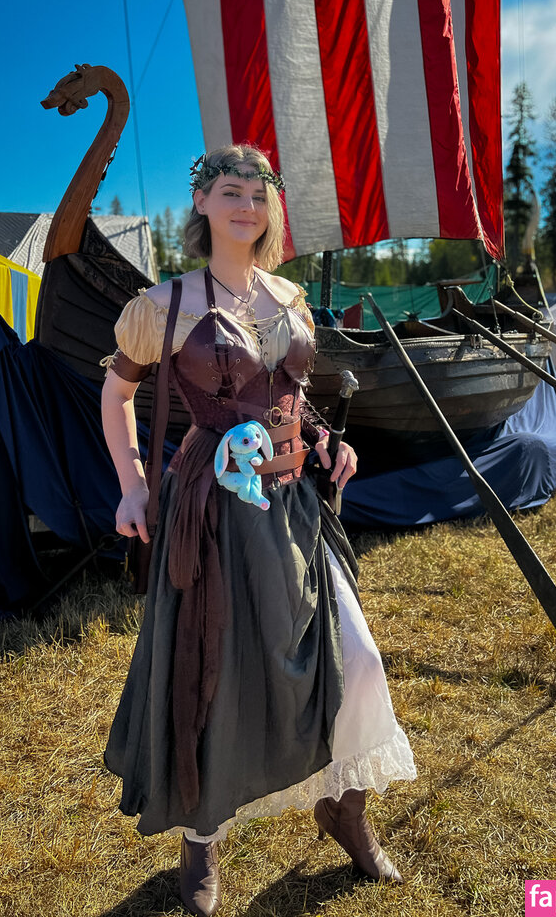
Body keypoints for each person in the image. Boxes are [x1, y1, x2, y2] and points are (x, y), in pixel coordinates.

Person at [101, 145, 415, 916]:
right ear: (202, 203)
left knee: (357, 660)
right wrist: (133, 485)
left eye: (257, 193)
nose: (246, 205)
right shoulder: (163, 305)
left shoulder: (289, 297)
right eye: (230, 191)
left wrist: (328, 441)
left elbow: (290, 396)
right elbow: (115, 396)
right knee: (214, 674)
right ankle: (201, 837)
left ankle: (344, 807)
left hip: (294, 503)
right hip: (213, 509)